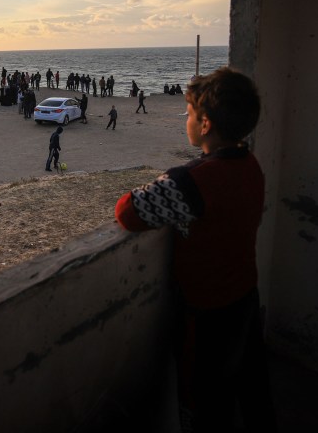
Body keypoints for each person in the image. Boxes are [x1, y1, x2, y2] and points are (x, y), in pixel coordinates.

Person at [113, 68, 273, 432]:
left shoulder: (195, 181)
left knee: (204, 402)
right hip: (244, 296)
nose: (185, 118)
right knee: (250, 392)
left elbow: (127, 212)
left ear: (205, 125)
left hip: (206, 316)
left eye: (188, 113)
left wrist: (176, 176)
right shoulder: (250, 164)